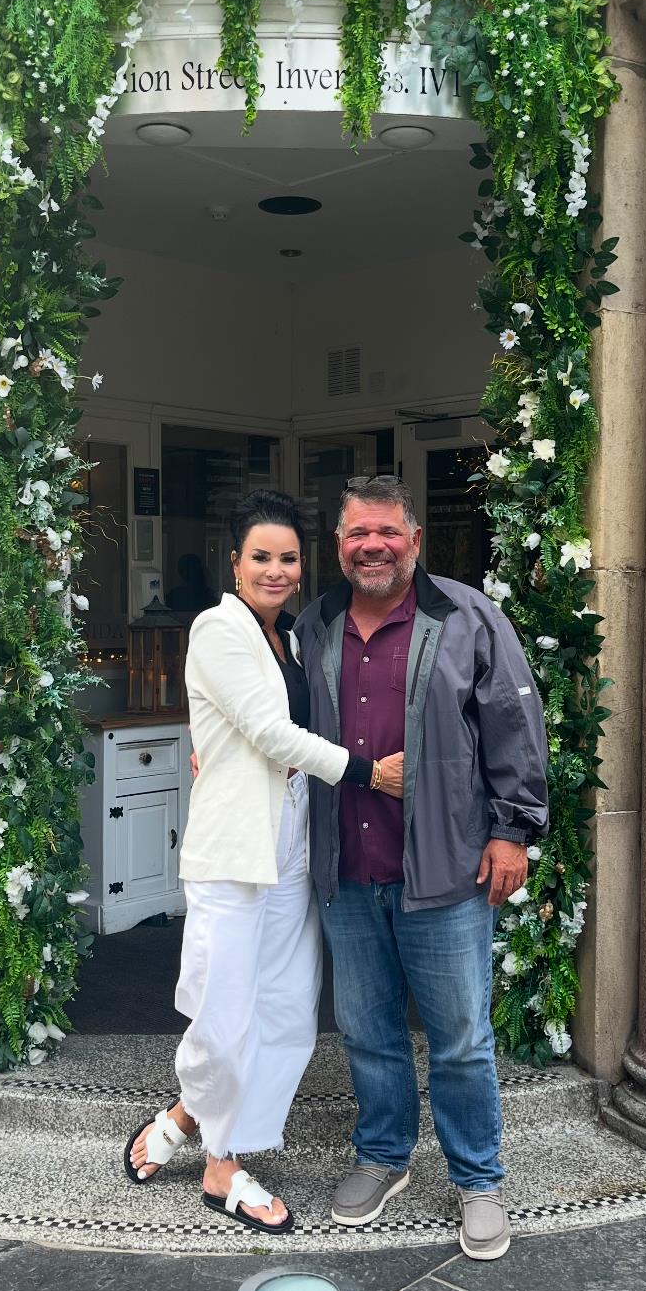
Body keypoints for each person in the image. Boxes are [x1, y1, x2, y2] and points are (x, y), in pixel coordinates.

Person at [123, 490, 403, 1235]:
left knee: (284, 1009)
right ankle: (221, 1168)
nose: (275, 570)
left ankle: (194, 1119)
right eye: (261, 557)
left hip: (292, 846)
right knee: (223, 1010)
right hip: (233, 851)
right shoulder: (218, 629)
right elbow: (267, 730)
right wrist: (369, 773)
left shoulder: (294, 640)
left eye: (287, 558)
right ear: (235, 562)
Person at [294, 476, 549, 1260]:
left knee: (461, 1038)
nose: (371, 546)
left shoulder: (468, 617)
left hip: (444, 871)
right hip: (348, 868)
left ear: (412, 539)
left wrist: (513, 831)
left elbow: (514, 723)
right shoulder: (315, 624)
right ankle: (383, 1156)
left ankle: (478, 1178)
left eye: (386, 532)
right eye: (355, 535)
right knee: (367, 1033)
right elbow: (283, 728)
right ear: (337, 545)